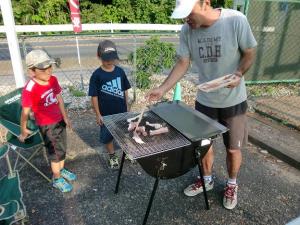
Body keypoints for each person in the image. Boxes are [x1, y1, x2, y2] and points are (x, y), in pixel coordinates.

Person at [146, 0, 257, 210]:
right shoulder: (187, 30)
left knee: (233, 149)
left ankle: (232, 184)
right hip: (205, 100)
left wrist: (239, 73)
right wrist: (163, 88)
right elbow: (183, 62)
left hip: (234, 100)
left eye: (189, 12)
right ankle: (206, 180)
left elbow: (250, 52)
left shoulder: (235, 20)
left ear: (205, 2)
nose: (186, 18)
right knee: (204, 146)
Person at [19, 49, 76, 193]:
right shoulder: (30, 89)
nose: (48, 71)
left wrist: (65, 117)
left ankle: (61, 170)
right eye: (43, 69)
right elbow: (25, 111)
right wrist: (23, 130)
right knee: (54, 152)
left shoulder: (53, 80)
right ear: (32, 71)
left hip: (59, 120)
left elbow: (59, 98)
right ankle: (56, 178)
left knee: (62, 147)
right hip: (47, 125)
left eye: (50, 66)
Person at [88, 40, 131, 169]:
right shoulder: (96, 75)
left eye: (112, 58)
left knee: (124, 133)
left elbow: (125, 90)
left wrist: (127, 105)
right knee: (108, 137)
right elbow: (94, 96)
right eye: (106, 59)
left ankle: (126, 152)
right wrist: (98, 114)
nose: (109, 61)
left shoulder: (120, 72)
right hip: (105, 114)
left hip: (121, 111)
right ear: (99, 56)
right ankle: (112, 155)